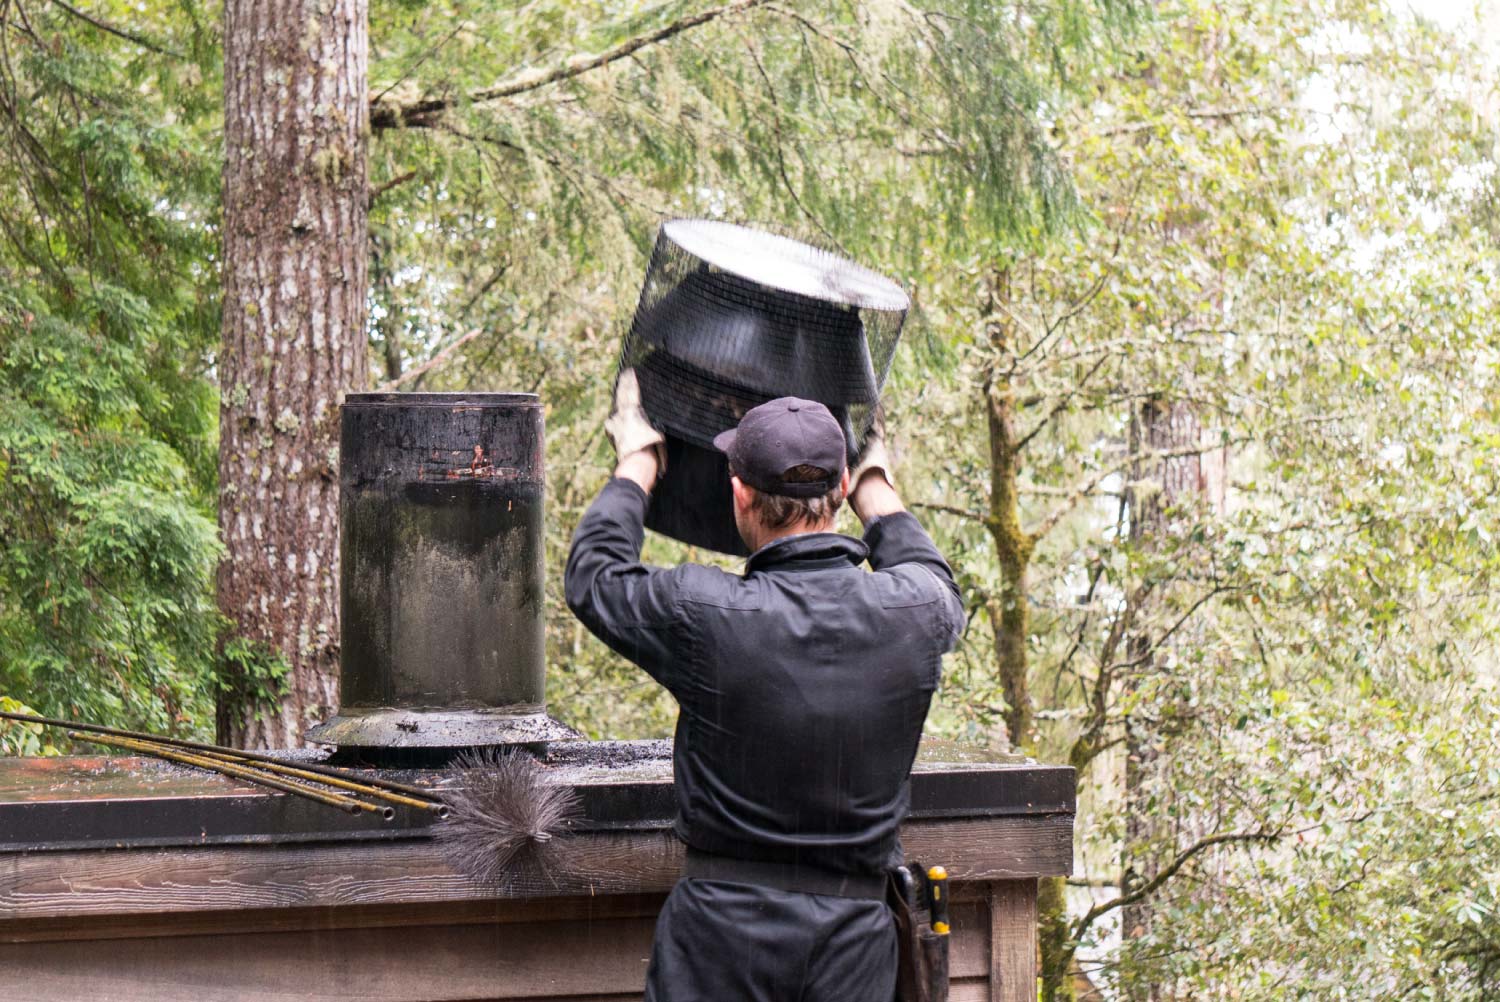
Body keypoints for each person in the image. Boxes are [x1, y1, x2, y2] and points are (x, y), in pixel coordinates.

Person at [565, 370, 966, 1002]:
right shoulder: (915, 611)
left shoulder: (702, 611)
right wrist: (876, 489)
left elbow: (593, 577)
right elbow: (934, 575)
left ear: (739, 496)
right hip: (856, 953)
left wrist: (638, 463)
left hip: (718, 949)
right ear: (838, 490)